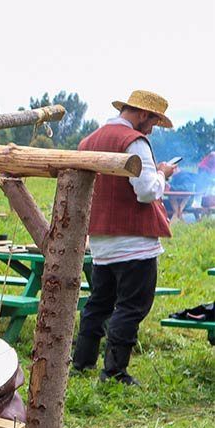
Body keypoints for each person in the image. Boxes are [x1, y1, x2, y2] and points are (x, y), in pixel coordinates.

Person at [72, 90, 178, 385]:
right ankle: (115, 372)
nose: (153, 128)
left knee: (98, 304)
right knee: (131, 307)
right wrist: (162, 174)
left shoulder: (87, 142)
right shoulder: (134, 141)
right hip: (134, 241)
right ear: (143, 114)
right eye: (154, 120)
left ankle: (82, 363)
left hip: (102, 241)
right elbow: (145, 192)